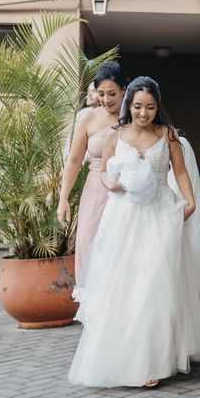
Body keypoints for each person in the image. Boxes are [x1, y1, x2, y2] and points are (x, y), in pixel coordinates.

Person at [68, 76, 200, 388]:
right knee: (125, 285)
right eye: (137, 106)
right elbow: (104, 170)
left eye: (149, 107)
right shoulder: (116, 135)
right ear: (128, 105)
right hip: (124, 217)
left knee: (155, 285)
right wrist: (112, 185)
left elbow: (182, 172)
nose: (143, 113)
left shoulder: (168, 135)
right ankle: (123, 356)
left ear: (157, 107)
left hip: (161, 217)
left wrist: (189, 206)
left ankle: (154, 361)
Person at [57, 62, 126, 276]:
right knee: (89, 244)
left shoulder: (134, 117)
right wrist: (63, 198)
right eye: (101, 94)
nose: (106, 100)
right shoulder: (88, 118)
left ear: (124, 90)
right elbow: (75, 160)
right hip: (95, 191)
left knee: (123, 250)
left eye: (112, 93)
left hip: (126, 191)